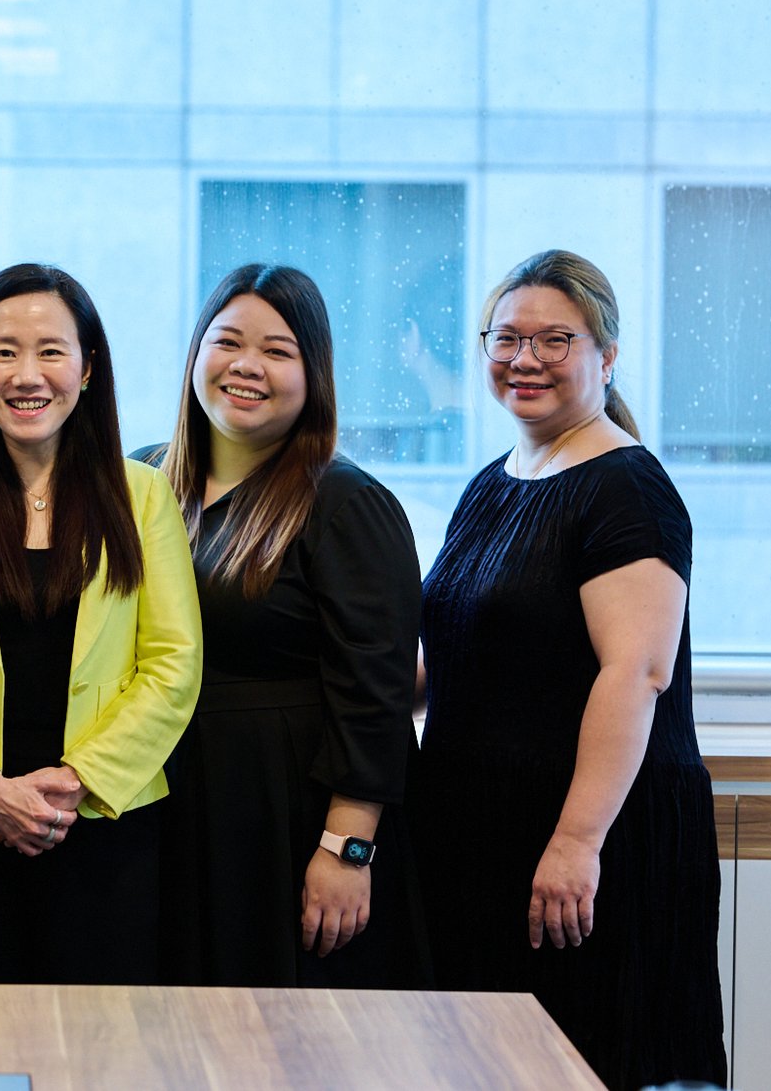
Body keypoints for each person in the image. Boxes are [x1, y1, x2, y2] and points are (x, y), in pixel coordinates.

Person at [409, 250, 726, 1089]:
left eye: (555, 339)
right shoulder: (493, 484)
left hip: (582, 842)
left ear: (606, 355)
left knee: (582, 1065)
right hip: (477, 833)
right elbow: (445, 655)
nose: (525, 358)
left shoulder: (627, 488)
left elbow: (637, 672)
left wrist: (577, 841)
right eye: (506, 337)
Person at [0, 263, 203, 983]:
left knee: (99, 1049)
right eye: (4, 350)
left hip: (105, 823)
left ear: (87, 368)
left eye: (51, 349)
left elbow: (173, 664)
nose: (28, 373)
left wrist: (74, 783)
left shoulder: (142, 494)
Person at [140, 264, 429, 988]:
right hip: (160, 806)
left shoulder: (347, 502)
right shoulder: (141, 481)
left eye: (277, 349)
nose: (247, 365)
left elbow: (378, 693)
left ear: (314, 373)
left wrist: (346, 848)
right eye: (228, 341)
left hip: (285, 814)